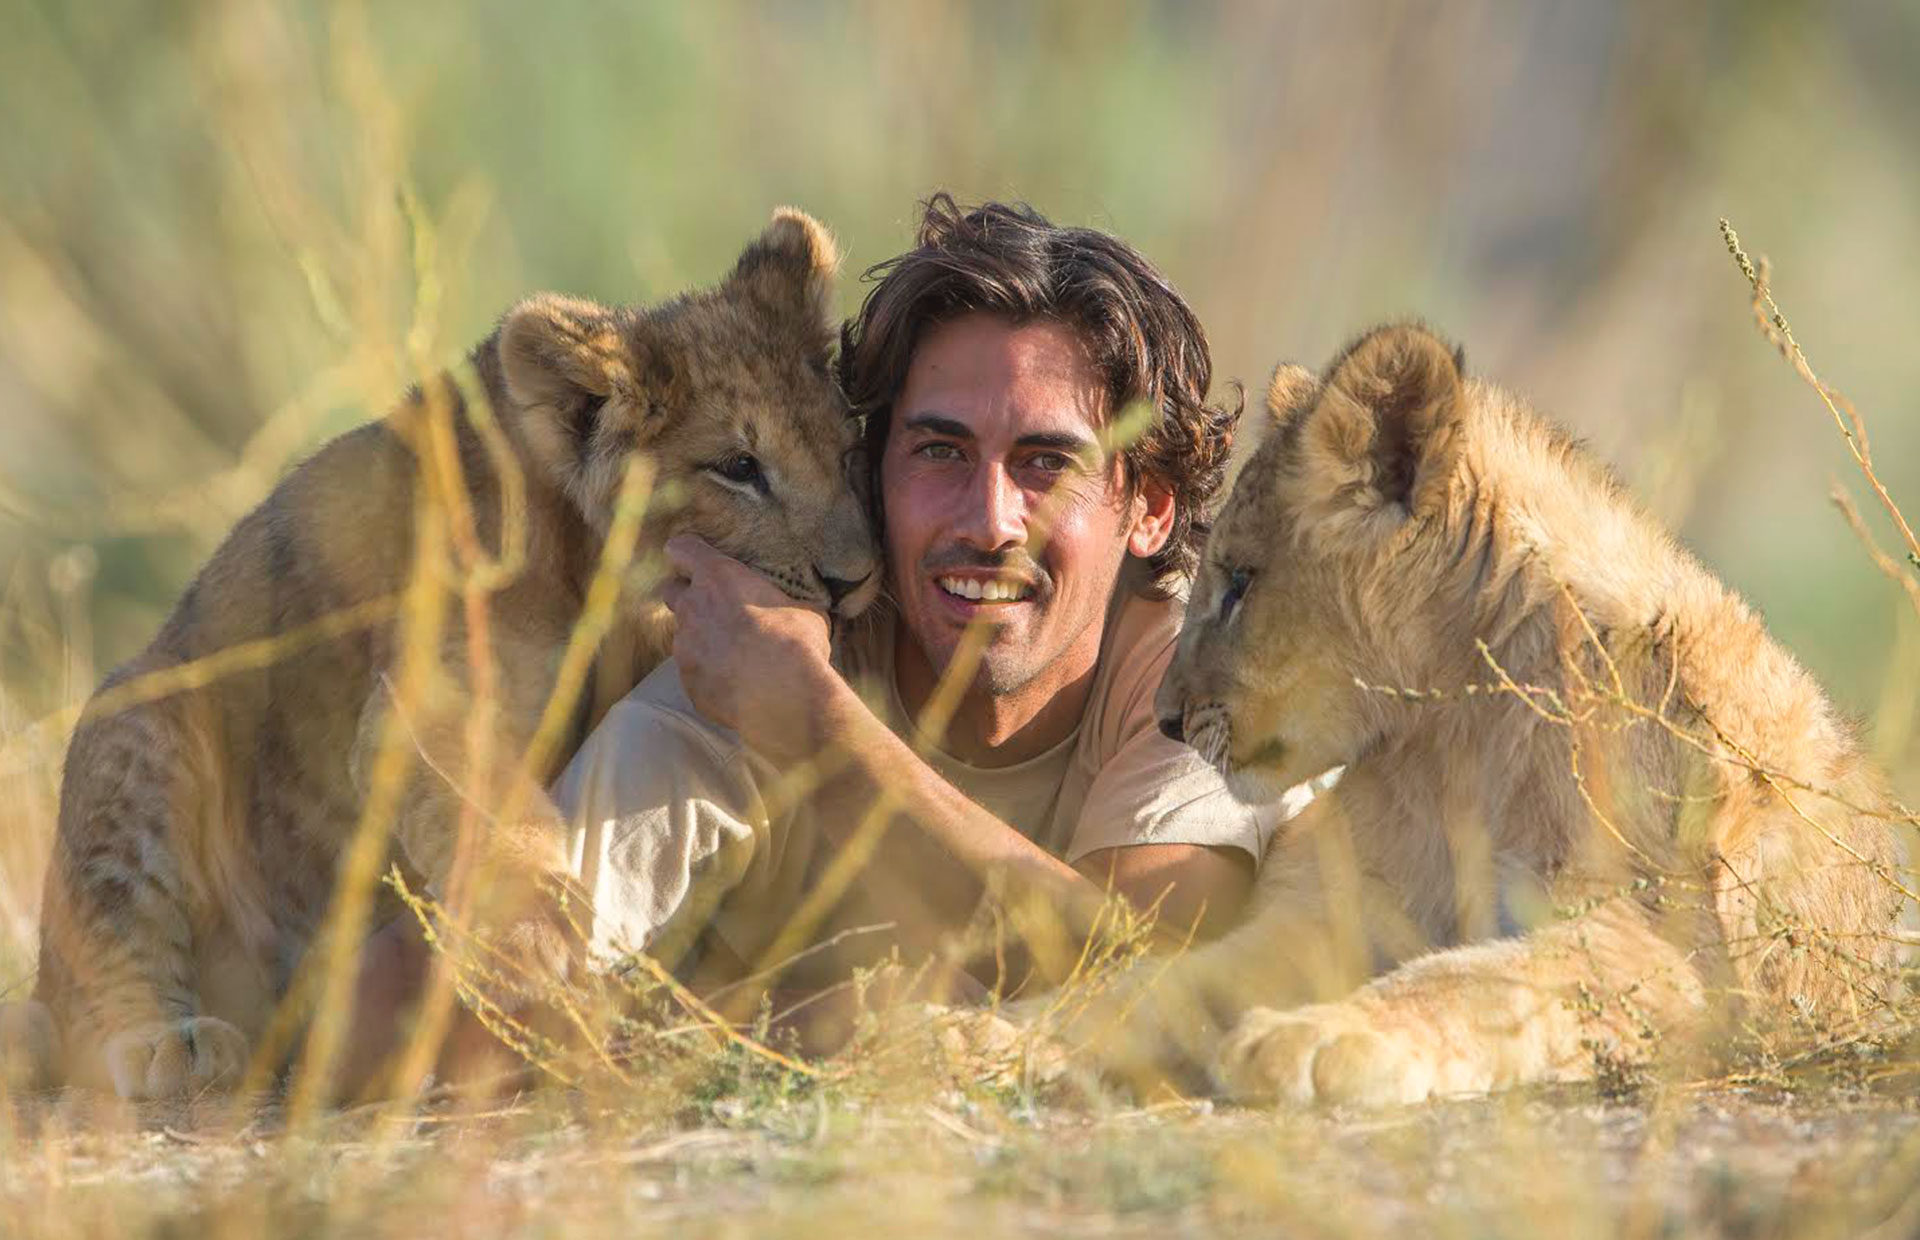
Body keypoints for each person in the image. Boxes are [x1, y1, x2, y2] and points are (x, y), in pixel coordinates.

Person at [346, 196, 1319, 1082]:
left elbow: (1147, 959)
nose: (990, 518)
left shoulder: (1206, 662)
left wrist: (815, 727)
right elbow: (423, 1014)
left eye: (1045, 464)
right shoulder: (751, 657)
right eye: (938, 451)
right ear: (869, 465)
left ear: (1148, 507)